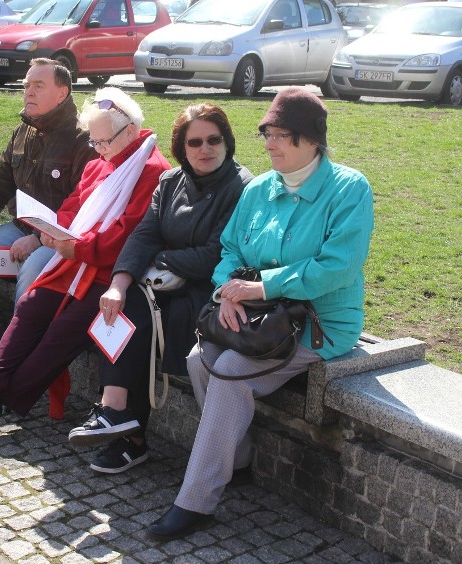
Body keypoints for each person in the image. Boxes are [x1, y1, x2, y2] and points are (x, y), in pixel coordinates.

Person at [147, 88, 374, 541]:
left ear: (311, 140)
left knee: (229, 369)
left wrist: (262, 286)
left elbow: (336, 267)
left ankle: (196, 500)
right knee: (198, 360)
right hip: (255, 313)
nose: (269, 143)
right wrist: (229, 294)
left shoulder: (349, 189)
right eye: (266, 133)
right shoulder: (258, 189)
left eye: (281, 135)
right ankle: (237, 460)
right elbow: (230, 249)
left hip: (318, 322)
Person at [0, 87, 171, 428]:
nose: (100, 150)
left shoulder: (151, 169)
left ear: (131, 130)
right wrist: (49, 229)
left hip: (112, 273)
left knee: (64, 328)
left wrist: (77, 246)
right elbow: (73, 207)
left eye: (105, 142)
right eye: (96, 142)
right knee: (32, 303)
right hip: (75, 261)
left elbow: (128, 233)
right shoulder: (101, 163)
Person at [67, 103, 254, 475]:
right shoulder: (170, 182)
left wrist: (163, 261)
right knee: (120, 304)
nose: (205, 149)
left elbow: (213, 256)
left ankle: (123, 427)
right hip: (164, 289)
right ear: (181, 149)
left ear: (227, 141)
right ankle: (117, 414)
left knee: (141, 320)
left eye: (214, 139)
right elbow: (144, 236)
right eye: (195, 142)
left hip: (211, 294)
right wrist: (118, 284)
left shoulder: (243, 187)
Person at [0, 58, 97, 373]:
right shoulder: (22, 131)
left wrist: (39, 239)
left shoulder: (83, 139)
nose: (28, 91)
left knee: (30, 271)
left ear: (62, 92)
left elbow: (83, 205)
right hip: (19, 229)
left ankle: (14, 360)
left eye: (38, 85)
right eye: (27, 84)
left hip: (58, 240)